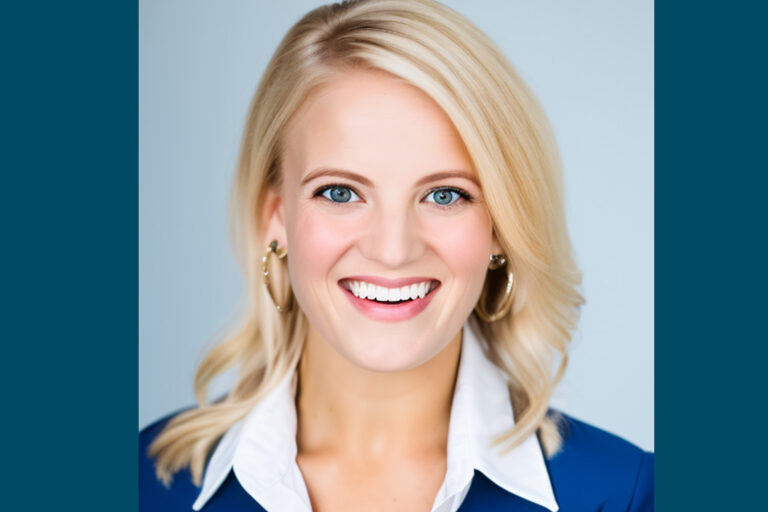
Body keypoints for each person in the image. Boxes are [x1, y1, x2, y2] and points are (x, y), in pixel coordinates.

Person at [139, 0, 654, 510]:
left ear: (501, 226)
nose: (392, 251)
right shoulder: (144, 484)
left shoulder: (622, 493)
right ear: (275, 217)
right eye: (340, 192)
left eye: (445, 194)